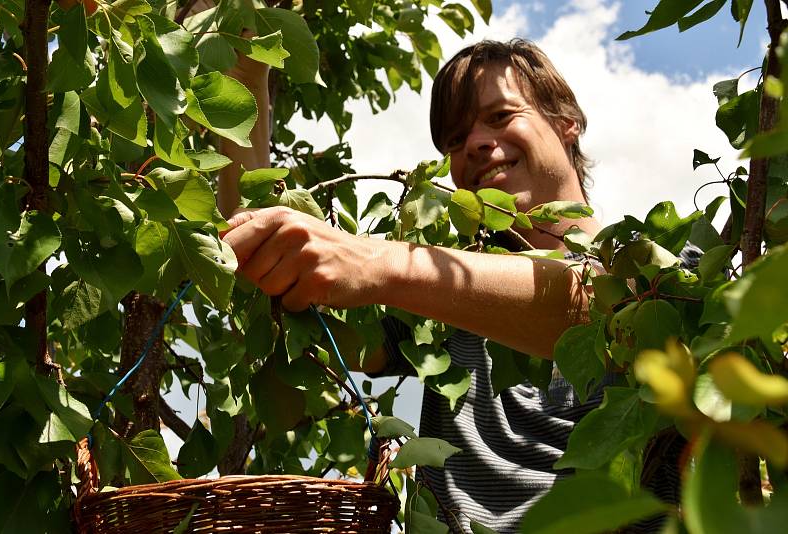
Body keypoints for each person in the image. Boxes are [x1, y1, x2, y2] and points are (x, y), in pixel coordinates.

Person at [220, 40, 626, 533]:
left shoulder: (661, 269)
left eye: (499, 116)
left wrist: (380, 263)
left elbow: (600, 308)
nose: (475, 142)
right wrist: (246, 74)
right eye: (454, 140)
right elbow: (286, 291)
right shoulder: (434, 307)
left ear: (567, 123)